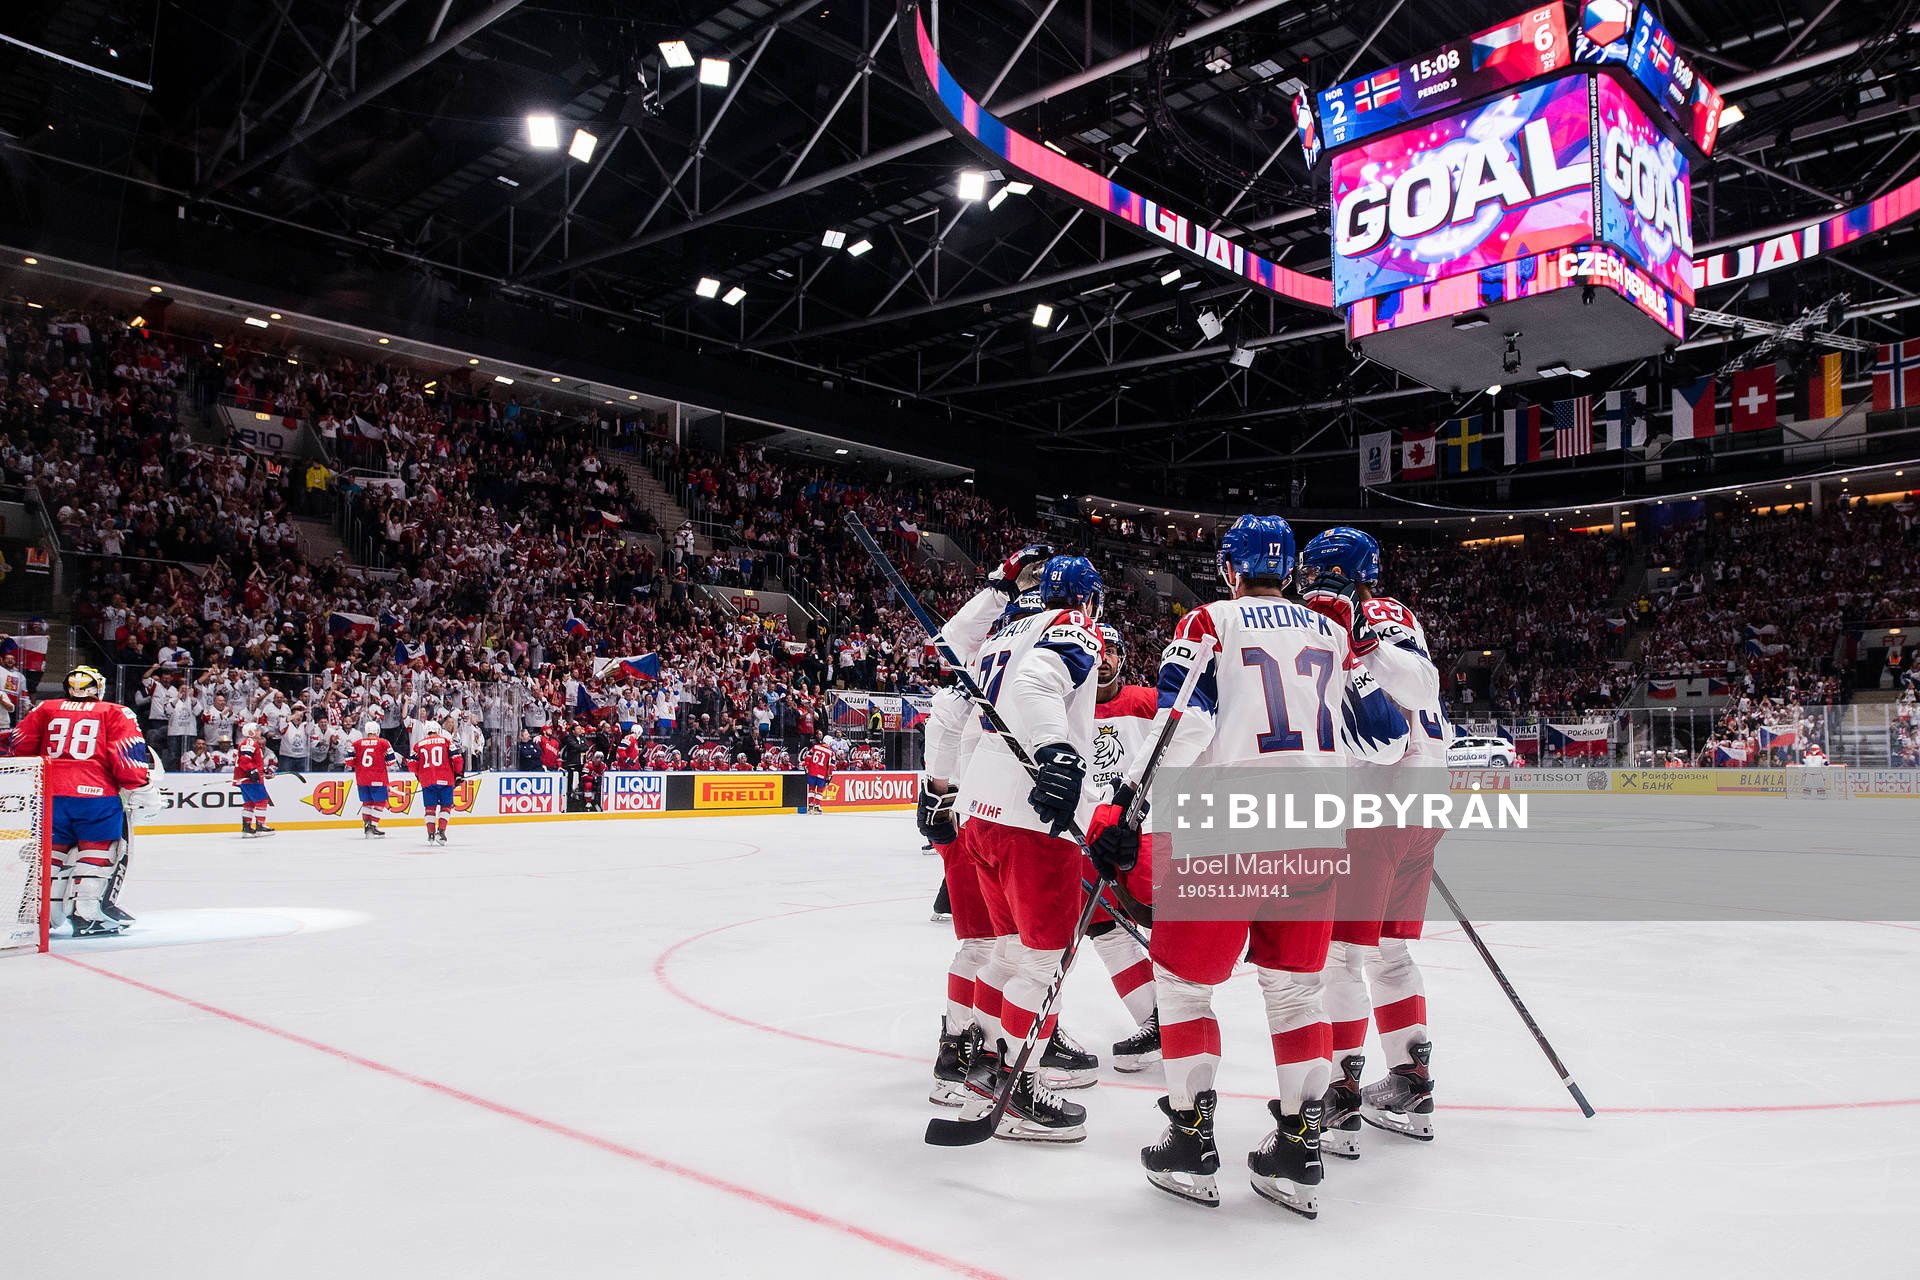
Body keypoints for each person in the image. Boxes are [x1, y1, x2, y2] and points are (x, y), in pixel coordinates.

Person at [1093, 515, 1406, 1214]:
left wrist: (1128, 804)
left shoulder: (1209, 621)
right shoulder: (1332, 631)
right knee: (1297, 993)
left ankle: (1191, 1140)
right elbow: (1385, 739)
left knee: (1181, 987)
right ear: (1290, 572)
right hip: (1317, 830)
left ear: (1231, 569)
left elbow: (1186, 722)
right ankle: (1300, 1148)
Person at [1296, 527, 1445, 1155]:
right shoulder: (1397, 614)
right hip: (1421, 806)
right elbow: (1425, 689)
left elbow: (1388, 709)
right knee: (1390, 955)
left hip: (1372, 811)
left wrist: (1356, 646)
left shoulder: (1348, 619)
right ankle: (1412, 1080)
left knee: (1340, 959)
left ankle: (1341, 1095)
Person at [954, 554, 1107, 1141]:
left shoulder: (1005, 631)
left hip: (983, 811)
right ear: (1087, 599)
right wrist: (1057, 754)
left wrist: (967, 788)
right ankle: (1020, 1089)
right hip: (1032, 815)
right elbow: (1039, 682)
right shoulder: (1072, 624)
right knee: (1041, 959)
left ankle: (988, 1066)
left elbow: (965, 720)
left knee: (1010, 950)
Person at [916, 543, 1053, 1107]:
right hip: (974, 815)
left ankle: (984, 1039)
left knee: (1002, 945)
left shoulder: (987, 669)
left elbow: (949, 639)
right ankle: (965, 1047)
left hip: (979, 813)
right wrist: (942, 797)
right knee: (991, 945)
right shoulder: (979, 672)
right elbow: (947, 652)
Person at [9, 666, 161, 936]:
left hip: (50, 794)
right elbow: (127, 757)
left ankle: (39, 915)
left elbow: (19, 745)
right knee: (98, 852)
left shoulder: (44, 708)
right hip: (96, 796)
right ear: (98, 688)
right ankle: (88, 915)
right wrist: (143, 789)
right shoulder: (115, 712)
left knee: (51, 854)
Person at [1087, 622, 1162, 1071]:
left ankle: (1182, 1018)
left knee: (1166, 930)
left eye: (1110, 650)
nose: (1102, 658)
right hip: (1090, 837)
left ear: (1123, 658)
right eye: (1094, 650)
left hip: (1149, 832)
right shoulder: (1065, 706)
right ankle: (1156, 1022)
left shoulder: (1146, 701)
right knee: (1104, 932)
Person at [409, 721, 465, 845]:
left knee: (430, 808)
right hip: (445, 779)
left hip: (427, 780)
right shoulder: (446, 741)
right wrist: (458, 775)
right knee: (446, 806)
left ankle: (430, 834)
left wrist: (420, 775)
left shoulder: (418, 745)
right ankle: (441, 831)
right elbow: (457, 760)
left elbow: (412, 765)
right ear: (438, 730)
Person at [351, 720, 401, 838]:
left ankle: (367, 827)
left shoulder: (357, 743)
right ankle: (373, 826)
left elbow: (349, 761)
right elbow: (391, 761)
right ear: (377, 731)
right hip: (378, 777)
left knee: (367, 802)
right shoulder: (383, 742)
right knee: (380, 802)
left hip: (362, 778)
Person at [232, 723, 278, 837]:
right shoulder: (250, 742)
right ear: (251, 732)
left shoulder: (249, 743)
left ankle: (247, 827)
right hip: (250, 780)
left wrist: (264, 771)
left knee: (249, 803)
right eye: (257, 730)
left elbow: (251, 762)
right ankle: (260, 826)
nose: (259, 732)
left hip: (244, 779)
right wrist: (252, 771)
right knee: (262, 801)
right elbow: (244, 760)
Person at [802, 734, 835, 814]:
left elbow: (808, 757)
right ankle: (816, 807)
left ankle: (810, 807)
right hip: (822, 774)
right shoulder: (831, 753)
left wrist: (806, 766)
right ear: (829, 742)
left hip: (812, 772)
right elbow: (831, 765)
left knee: (811, 789)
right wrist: (829, 775)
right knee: (820, 791)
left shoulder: (815, 747)